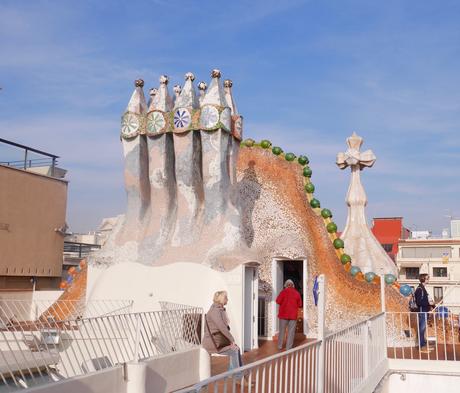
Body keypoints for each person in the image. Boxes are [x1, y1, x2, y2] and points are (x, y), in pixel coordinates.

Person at [202, 291, 244, 379]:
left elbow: (224, 327)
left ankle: (234, 373)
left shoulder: (219, 309)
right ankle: (238, 377)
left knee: (236, 348)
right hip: (212, 342)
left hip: (217, 339)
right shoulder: (215, 311)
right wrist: (231, 339)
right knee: (235, 350)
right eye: (226, 298)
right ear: (222, 299)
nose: (227, 300)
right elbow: (222, 327)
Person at [276, 279, 302, 350]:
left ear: (285, 285)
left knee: (282, 331)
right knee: (291, 332)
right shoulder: (297, 293)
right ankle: (288, 347)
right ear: (293, 285)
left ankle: (280, 346)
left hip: (283, 315)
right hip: (293, 316)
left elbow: (277, 301)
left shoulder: (283, 292)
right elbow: (300, 305)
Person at [414, 274, 434, 352]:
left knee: (423, 329)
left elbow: (425, 300)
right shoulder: (419, 289)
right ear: (424, 279)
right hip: (422, 311)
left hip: (425, 311)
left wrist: (431, 305)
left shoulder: (423, 288)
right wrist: (428, 305)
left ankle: (423, 345)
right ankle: (421, 347)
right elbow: (419, 302)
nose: (428, 280)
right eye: (427, 278)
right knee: (422, 329)